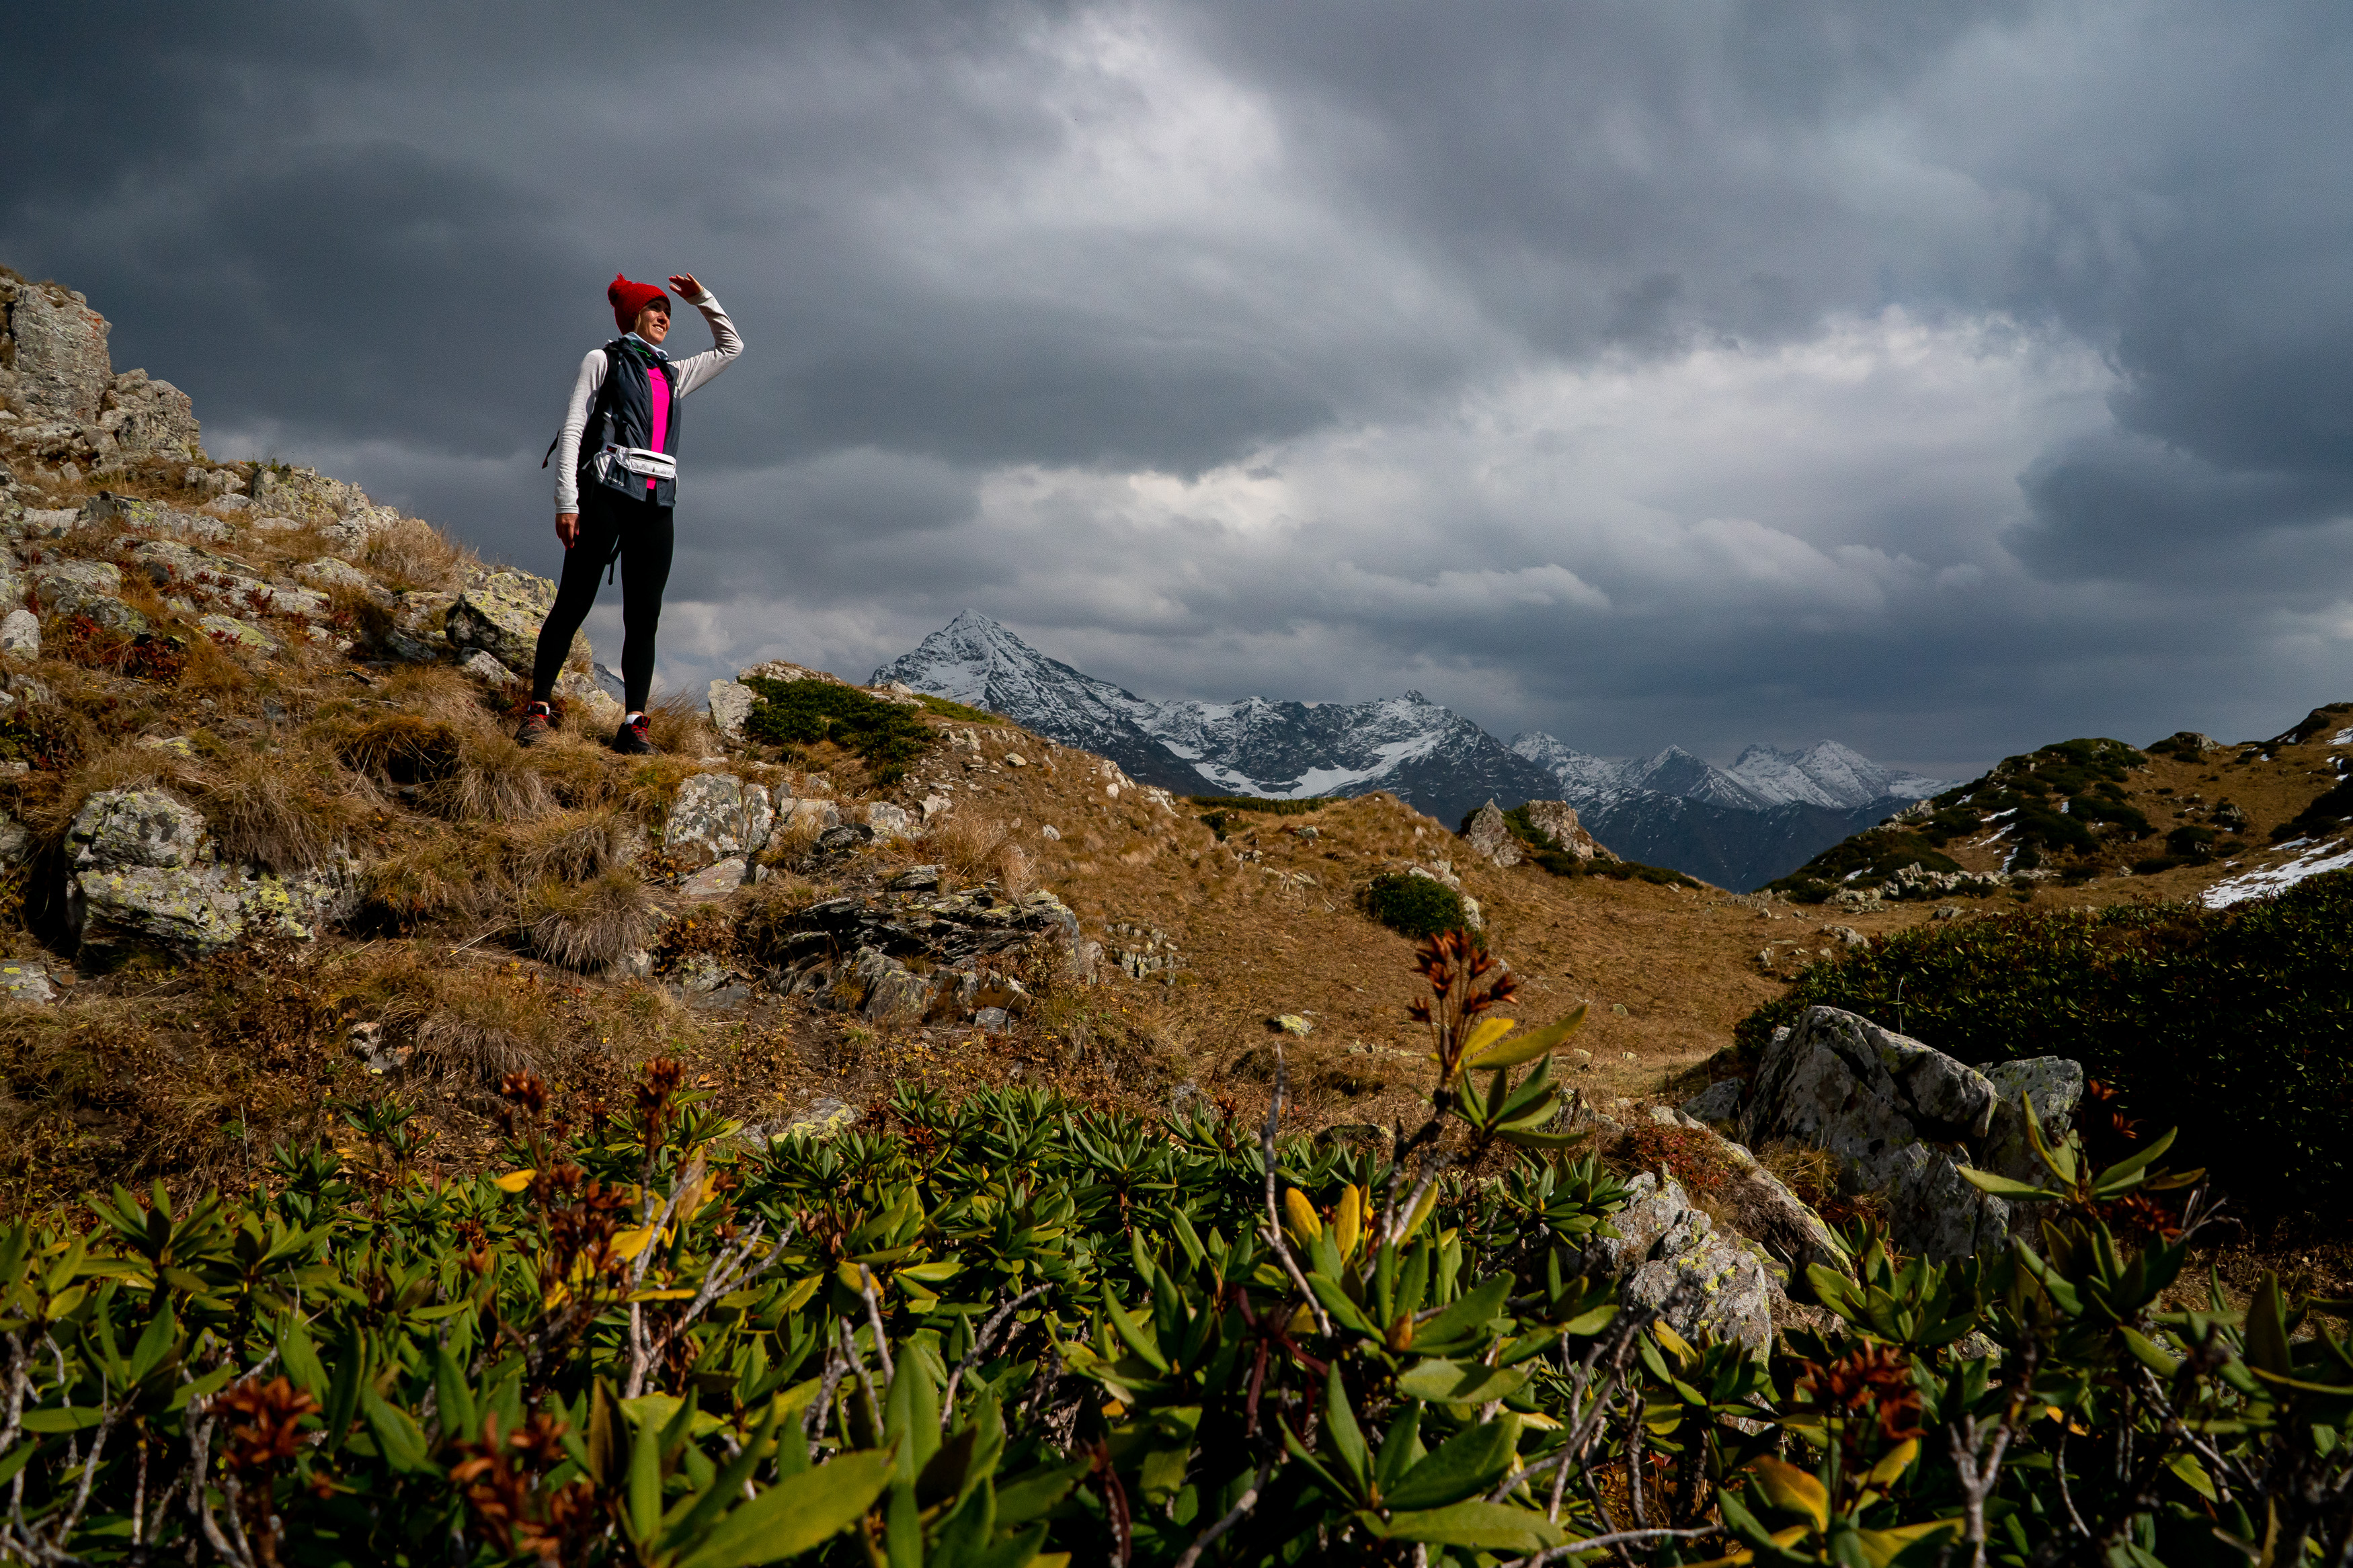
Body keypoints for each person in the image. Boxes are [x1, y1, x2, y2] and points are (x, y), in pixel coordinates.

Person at [516, 272, 742, 753]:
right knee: (574, 602)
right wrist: (566, 501)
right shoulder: (602, 359)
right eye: (656, 308)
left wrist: (702, 300)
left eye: (668, 311)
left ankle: (634, 725)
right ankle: (538, 711)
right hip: (605, 494)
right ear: (633, 315)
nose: (665, 317)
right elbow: (574, 427)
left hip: (658, 502)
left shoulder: (673, 372)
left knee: (645, 616)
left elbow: (731, 347)